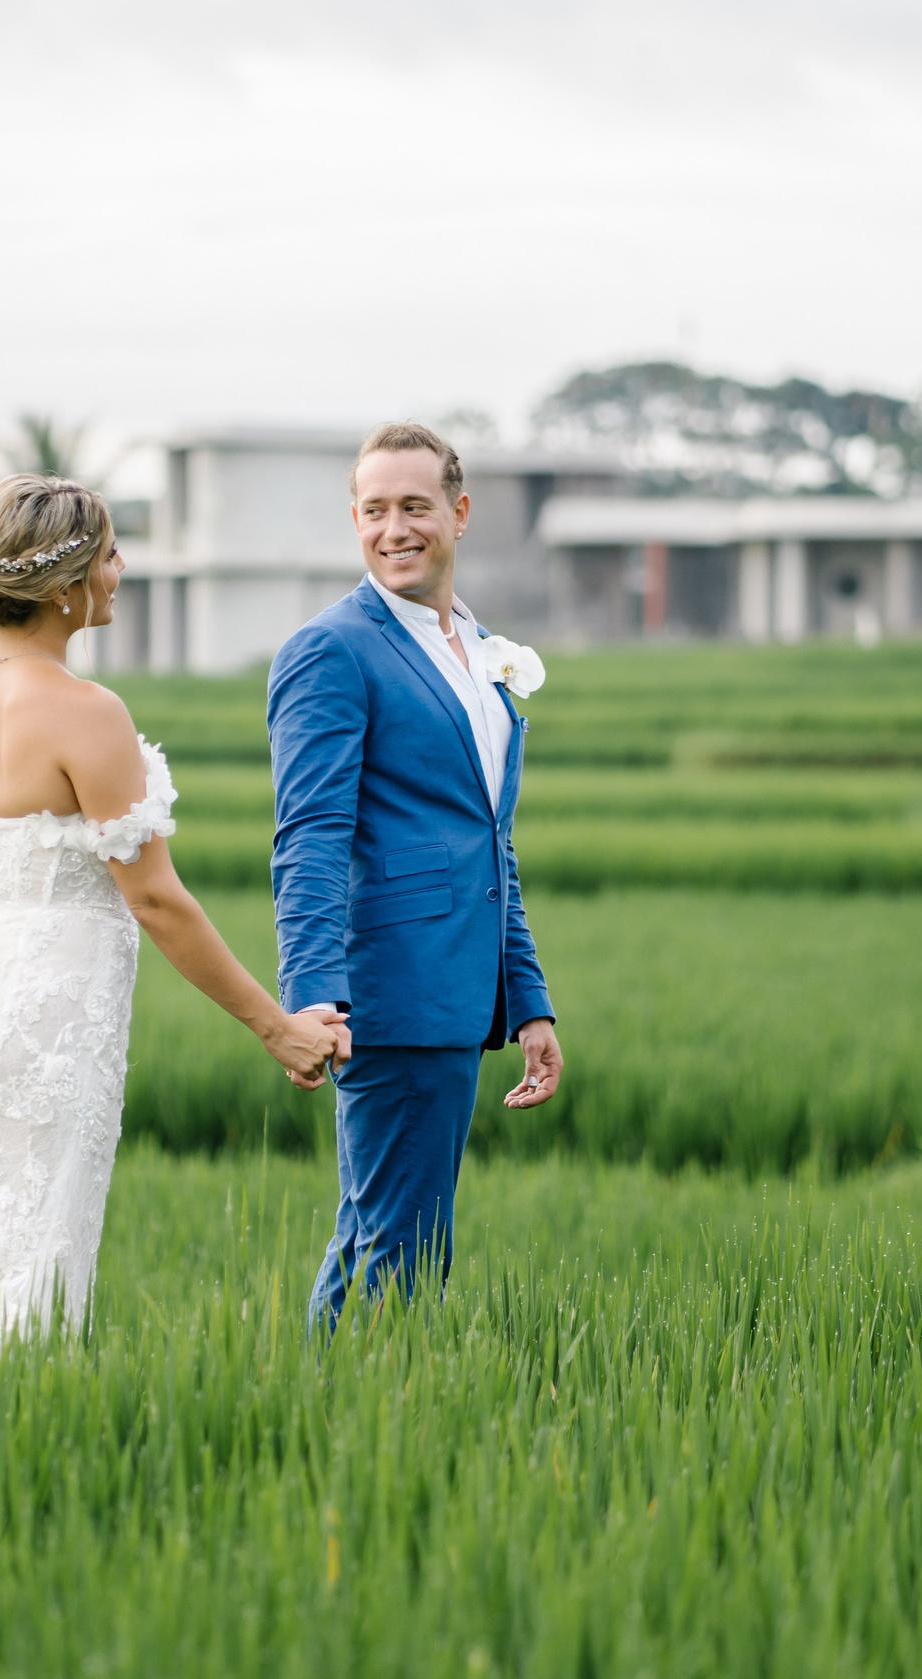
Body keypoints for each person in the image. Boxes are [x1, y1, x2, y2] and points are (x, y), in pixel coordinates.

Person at [0, 473, 350, 1396]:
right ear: (64, 583)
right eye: (107, 553)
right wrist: (277, 1024)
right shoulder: (88, 712)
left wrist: (0, 968)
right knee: (35, 1225)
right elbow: (157, 901)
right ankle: (3, 1406)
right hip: (55, 1014)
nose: (120, 568)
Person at [269, 421, 562, 1333]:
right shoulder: (332, 651)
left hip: (461, 989)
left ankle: (327, 1414)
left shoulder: (482, 652)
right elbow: (310, 835)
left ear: (459, 513)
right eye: (373, 510)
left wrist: (529, 999)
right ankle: (356, 1422)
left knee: (390, 1235)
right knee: (397, 1242)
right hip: (386, 992)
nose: (394, 528)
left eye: (414, 506)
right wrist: (313, 995)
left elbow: (489, 843)